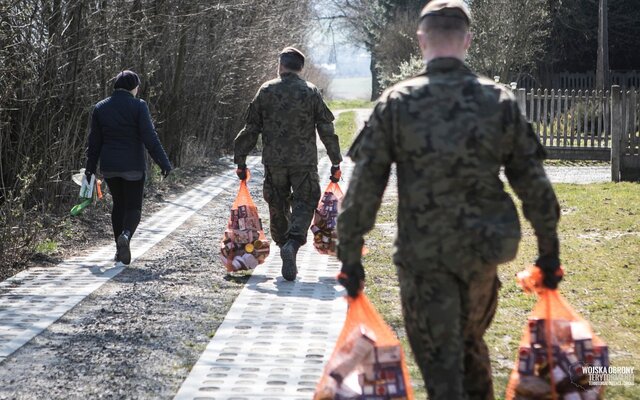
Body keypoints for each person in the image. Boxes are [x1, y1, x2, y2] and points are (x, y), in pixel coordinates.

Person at [336, 1, 562, 399]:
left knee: (443, 367)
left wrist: (350, 257)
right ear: (468, 41)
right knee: (469, 349)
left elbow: (364, 188)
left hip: (425, 261)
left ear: (421, 41)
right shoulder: (499, 101)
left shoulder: (398, 102)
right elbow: (535, 186)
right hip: (482, 258)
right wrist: (549, 253)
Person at [234, 47, 342, 281]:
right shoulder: (311, 91)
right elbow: (327, 129)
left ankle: (283, 242)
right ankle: (292, 244)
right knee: (306, 200)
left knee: (277, 203)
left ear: (280, 65)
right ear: (300, 68)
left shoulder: (266, 90)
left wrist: (240, 160)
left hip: (274, 162)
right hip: (304, 162)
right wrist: (335, 161)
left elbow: (251, 128)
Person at [85, 70, 172, 266]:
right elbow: (150, 137)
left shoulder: (100, 108)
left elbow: (94, 143)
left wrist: (89, 170)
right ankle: (125, 235)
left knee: (119, 205)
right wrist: (163, 163)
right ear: (134, 87)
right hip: (133, 167)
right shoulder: (138, 106)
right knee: (133, 207)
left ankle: (119, 250)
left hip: (110, 168)